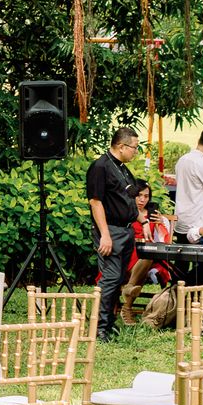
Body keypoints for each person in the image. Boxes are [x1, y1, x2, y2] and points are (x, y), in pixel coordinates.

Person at [86, 125, 142, 340]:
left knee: (118, 278)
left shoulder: (121, 167)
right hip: (110, 230)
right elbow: (96, 202)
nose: (135, 152)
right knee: (109, 278)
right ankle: (98, 328)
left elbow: (126, 197)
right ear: (121, 146)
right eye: (134, 148)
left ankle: (108, 322)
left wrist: (142, 219)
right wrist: (105, 235)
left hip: (125, 230)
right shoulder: (101, 167)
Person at [119, 180, 173, 327]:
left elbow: (162, 240)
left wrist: (161, 223)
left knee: (149, 253)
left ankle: (128, 294)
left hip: (147, 255)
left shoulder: (151, 213)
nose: (142, 199)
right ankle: (127, 306)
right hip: (126, 253)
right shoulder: (124, 211)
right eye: (138, 196)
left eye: (146, 196)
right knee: (147, 255)